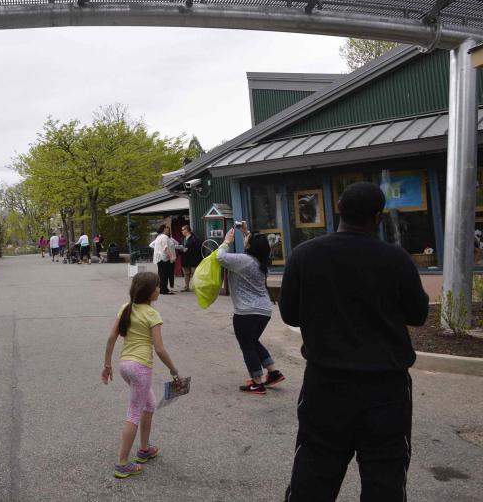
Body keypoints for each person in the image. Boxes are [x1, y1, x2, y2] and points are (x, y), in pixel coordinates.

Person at [279, 182, 428, 501]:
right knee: (384, 477)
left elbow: (290, 314)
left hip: (325, 384)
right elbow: (418, 314)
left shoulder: (304, 255)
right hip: (386, 388)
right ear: (377, 217)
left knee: (314, 471)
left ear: (339, 212)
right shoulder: (396, 259)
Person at [101, 272, 182, 479]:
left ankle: (144, 450)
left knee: (150, 404)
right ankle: (122, 464)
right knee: (134, 412)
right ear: (149, 292)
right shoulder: (152, 315)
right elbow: (160, 349)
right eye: (156, 287)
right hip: (140, 369)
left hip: (125, 366)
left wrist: (107, 365)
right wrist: (174, 371)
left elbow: (111, 337)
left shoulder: (126, 308)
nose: (158, 289)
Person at [216, 223, 284, 395]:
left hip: (246, 313)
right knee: (253, 342)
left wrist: (226, 241)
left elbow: (220, 257)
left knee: (247, 346)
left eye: (247, 239)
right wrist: (245, 232)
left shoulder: (243, 260)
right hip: (264, 311)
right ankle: (273, 372)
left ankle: (257, 382)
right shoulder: (260, 262)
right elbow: (255, 244)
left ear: (249, 245)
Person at [151, 226, 175, 295]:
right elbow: (165, 248)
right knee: (164, 275)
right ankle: (163, 290)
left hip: (160, 258)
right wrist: (171, 257)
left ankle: (163, 288)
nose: (168, 231)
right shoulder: (164, 237)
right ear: (164, 230)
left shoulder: (159, 237)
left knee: (162, 274)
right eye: (167, 230)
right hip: (163, 258)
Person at [179, 225, 202, 292]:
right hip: (185, 259)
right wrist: (180, 249)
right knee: (186, 274)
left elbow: (198, 249)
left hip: (193, 259)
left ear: (187, 230)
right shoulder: (182, 239)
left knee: (194, 274)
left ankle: (195, 287)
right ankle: (186, 287)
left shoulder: (195, 238)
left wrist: (188, 250)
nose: (182, 231)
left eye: (183, 230)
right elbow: (181, 247)